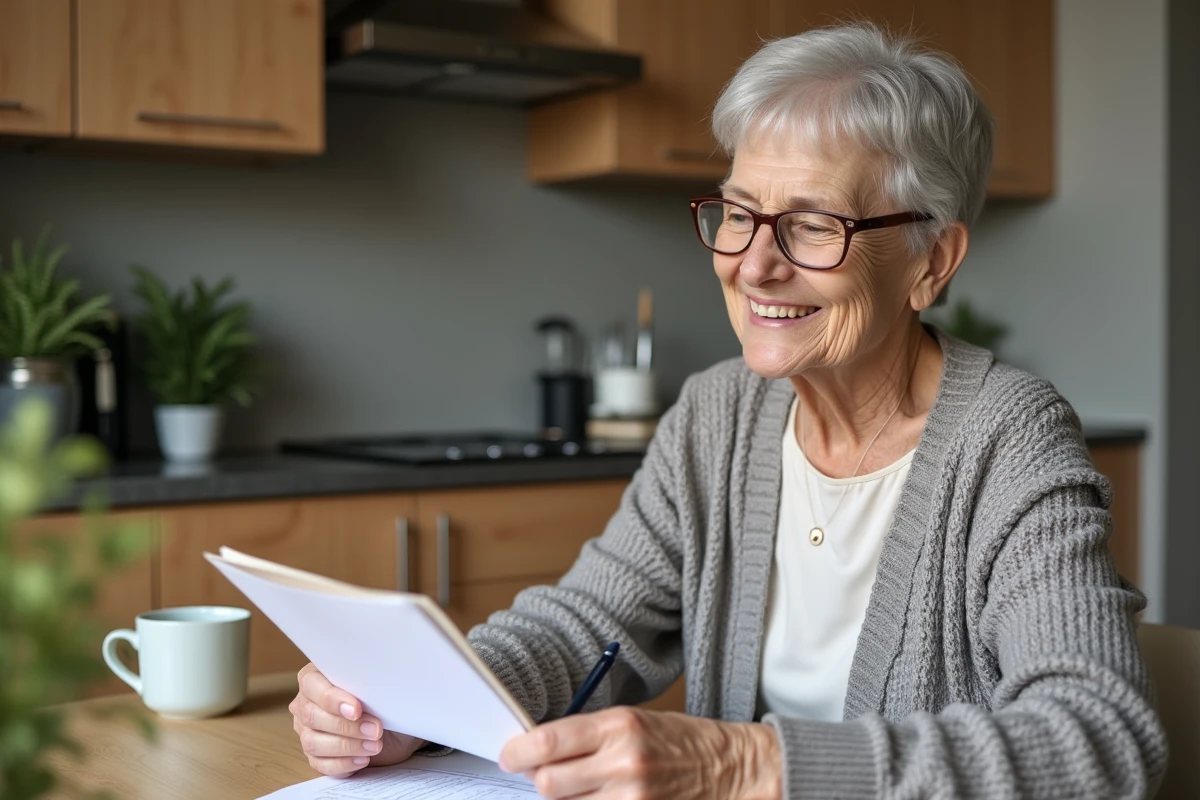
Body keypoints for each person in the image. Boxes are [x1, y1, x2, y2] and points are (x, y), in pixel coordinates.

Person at [288, 23, 1167, 798]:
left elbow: (1102, 739)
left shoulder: (1010, 436)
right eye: (739, 213)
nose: (752, 265)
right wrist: (416, 705)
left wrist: (746, 767)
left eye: (814, 225)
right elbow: (590, 625)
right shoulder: (718, 413)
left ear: (932, 260)